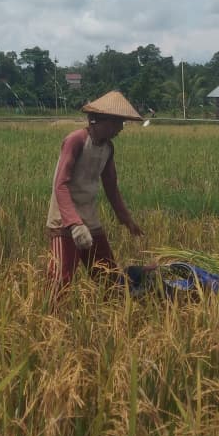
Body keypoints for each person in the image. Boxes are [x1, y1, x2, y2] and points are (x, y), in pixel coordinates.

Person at [46, 90, 145, 292]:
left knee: (108, 275)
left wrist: (126, 218)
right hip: (64, 219)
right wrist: (74, 223)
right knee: (60, 281)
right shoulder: (76, 140)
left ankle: (116, 316)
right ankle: (50, 319)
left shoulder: (108, 148)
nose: (120, 128)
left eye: (122, 123)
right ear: (98, 120)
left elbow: (111, 187)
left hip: (89, 217)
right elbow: (60, 184)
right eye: (117, 123)